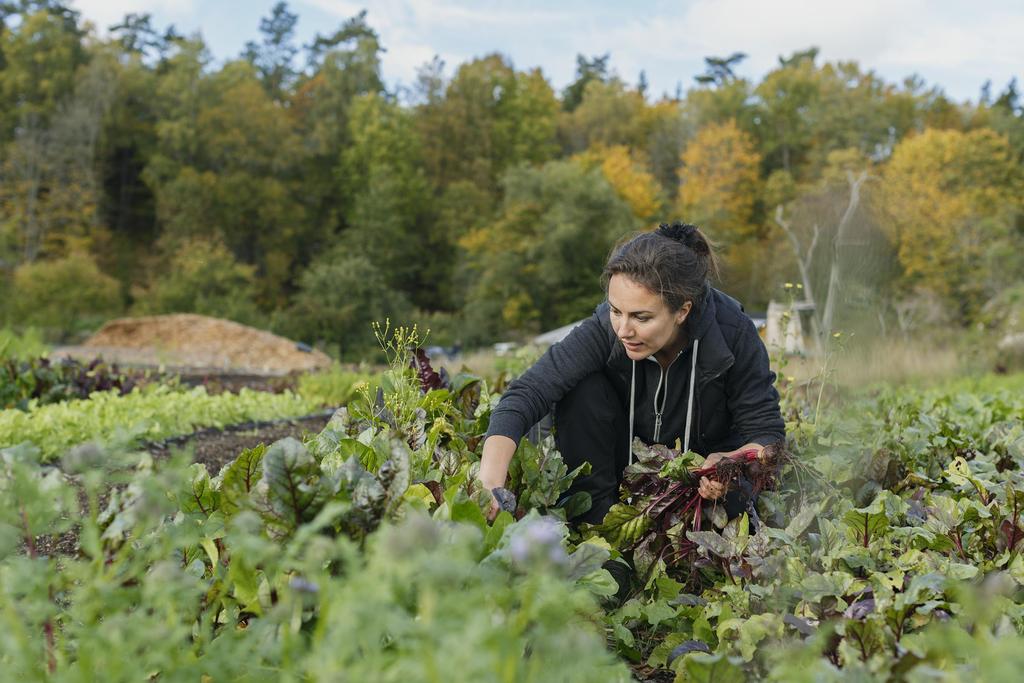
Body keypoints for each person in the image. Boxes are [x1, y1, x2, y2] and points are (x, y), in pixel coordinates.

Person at [478, 222, 785, 524]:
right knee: (582, 388)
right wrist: (490, 482)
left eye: (642, 317)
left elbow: (766, 433)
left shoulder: (732, 332)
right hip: (621, 471)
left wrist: (730, 463)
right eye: (615, 311)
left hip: (699, 486)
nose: (624, 330)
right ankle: (596, 523)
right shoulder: (606, 329)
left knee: (734, 497)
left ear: (682, 310)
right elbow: (527, 393)